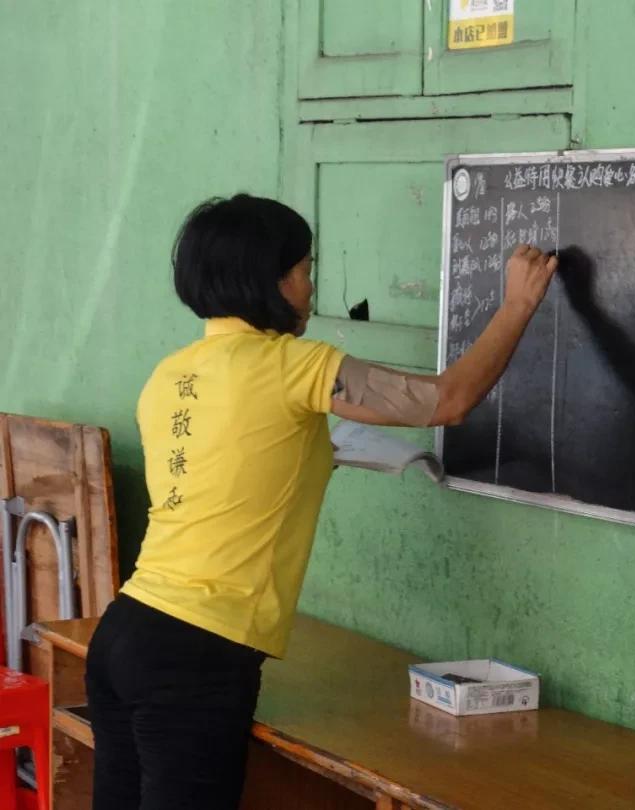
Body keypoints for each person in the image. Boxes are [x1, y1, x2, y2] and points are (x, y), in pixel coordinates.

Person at [85, 193, 557, 810]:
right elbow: (446, 401)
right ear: (272, 281)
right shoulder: (294, 365)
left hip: (126, 631)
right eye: (305, 271)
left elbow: (231, 473)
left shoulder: (170, 374)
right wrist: (519, 304)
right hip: (196, 655)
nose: (311, 289)